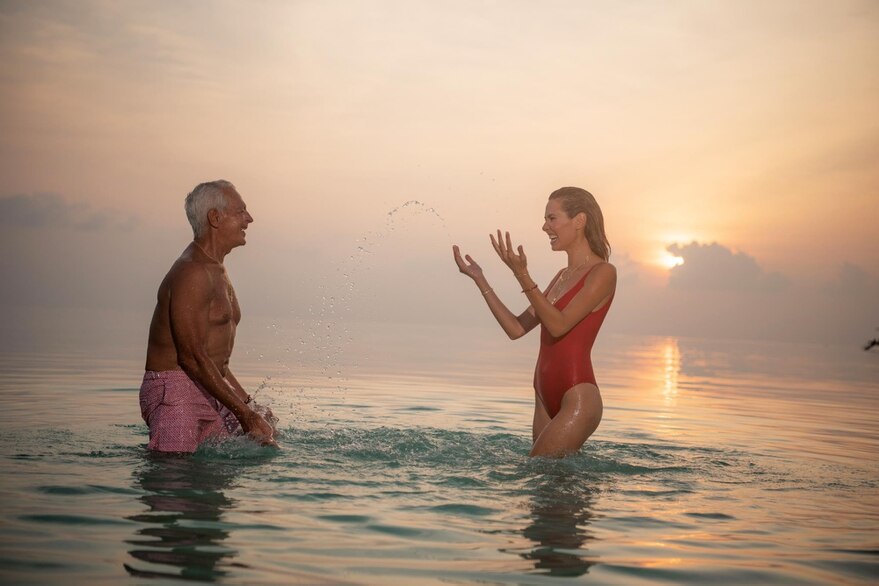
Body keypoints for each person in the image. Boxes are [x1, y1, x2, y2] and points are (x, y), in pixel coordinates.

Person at [453, 186, 616, 457]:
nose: (544, 227)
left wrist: (522, 275)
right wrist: (480, 278)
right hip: (543, 395)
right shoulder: (561, 276)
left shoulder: (603, 273)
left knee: (538, 469)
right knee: (543, 488)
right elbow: (516, 329)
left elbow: (559, 325)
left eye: (552, 218)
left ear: (579, 221)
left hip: (577, 396)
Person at [139, 180, 278, 452]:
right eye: (241, 212)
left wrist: (248, 404)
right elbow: (191, 357)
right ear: (215, 217)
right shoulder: (192, 272)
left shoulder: (216, 269)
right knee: (174, 476)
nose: (249, 219)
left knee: (267, 438)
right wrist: (246, 415)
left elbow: (213, 361)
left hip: (207, 383)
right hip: (176, 389)